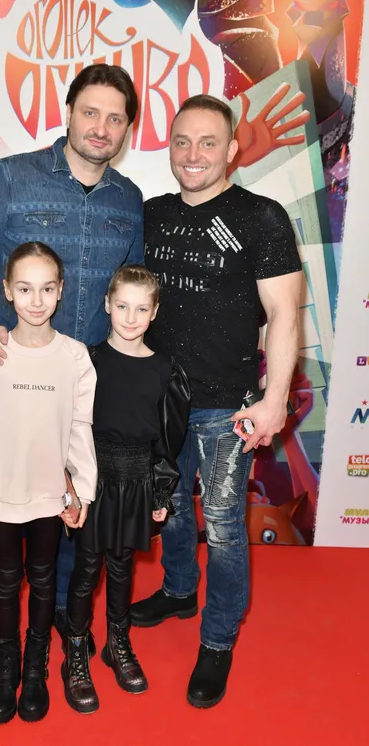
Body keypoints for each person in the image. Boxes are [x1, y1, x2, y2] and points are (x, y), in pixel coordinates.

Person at [0, 63, 143, 685]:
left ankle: (52, 613)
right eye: (91, 112)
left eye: (115, 118)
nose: (101, 127)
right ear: (69, 112)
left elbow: (133, 289)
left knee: (70, 501)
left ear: (128, 130)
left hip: (88, 380)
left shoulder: (129, 199)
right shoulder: (11, 177)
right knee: (5, 502)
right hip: (16, 374)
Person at [131, 95, 303, 708]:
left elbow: (284, 315)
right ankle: (180, 591)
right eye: (182, 141)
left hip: (228, 406)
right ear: (169, 148)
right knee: (173, 508)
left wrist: (275, 399)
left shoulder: (261, 217)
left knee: (226, 528)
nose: (193, 154)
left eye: (208, 142)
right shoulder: (149, 215)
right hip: (160, 399)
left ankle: (219, 638)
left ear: (231, 149)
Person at [0, 241, 97, 724]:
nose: (36, 300)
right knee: (4, 581)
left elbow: (80, 428)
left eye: (47, 289)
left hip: (49, 497)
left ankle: (35, 667)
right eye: (25, 288)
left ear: (61, 291)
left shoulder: (75, 357)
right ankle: (7, 668)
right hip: (0, 494)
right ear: (8, 292)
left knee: (43, 579)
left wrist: (81, 490)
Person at [61, 265, 190, 714]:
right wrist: (70, 486)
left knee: (121, 567)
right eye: (122, 306)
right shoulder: (88, 361)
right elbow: (67, 427)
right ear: (107, 305)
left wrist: (161, 492)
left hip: (136, 482)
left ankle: (117, 642)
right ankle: (76, 650)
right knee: (86, 568)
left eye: (140, 309)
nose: (130, 317)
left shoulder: (165, 370)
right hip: (92, 479)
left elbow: (168, 440)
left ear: (154, 312)